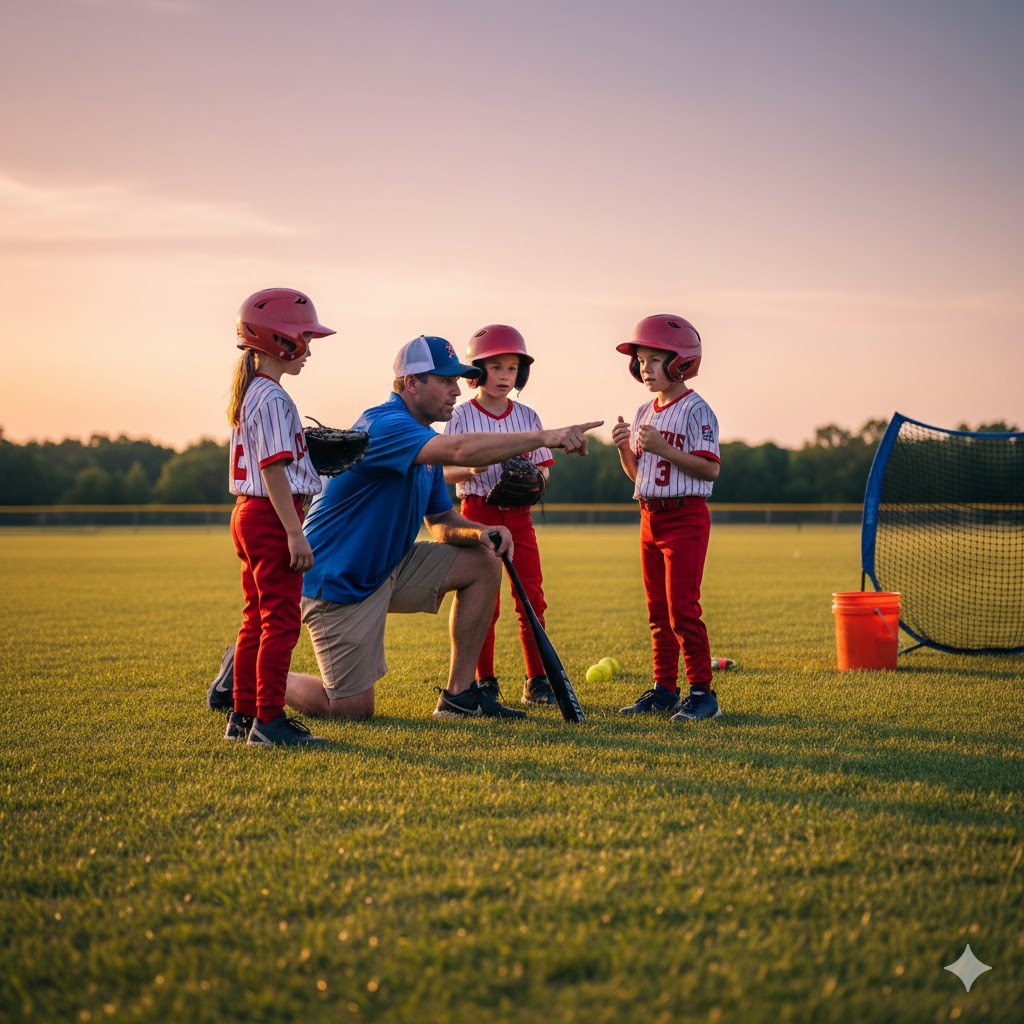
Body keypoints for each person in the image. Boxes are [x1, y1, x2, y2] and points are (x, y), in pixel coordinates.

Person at [211, 335, 602, 721]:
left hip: (388, 566)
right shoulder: (386, 423)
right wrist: (545, 437)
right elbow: (459, 451)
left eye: (456, 381)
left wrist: (479, 533)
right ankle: (246, 671)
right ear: (412, 383)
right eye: (445, 381)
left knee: (484, 562)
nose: (456, 391)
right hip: (340, 582)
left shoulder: (422, 439)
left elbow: (441, 522)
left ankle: (459, 696)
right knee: (349, 709)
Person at [221, 287, 336, 747]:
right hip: (272, 515)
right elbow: (272, 469)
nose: (308, 349)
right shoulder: (271, 397)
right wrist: (294, 531)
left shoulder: (254, 391)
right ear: (279, 339)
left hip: (251, 513)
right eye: (303, 337)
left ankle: (243, 715)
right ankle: (268, 722)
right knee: (281, 621)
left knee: (256, 618)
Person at [611, 314, 722, 722]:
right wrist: (624, 450)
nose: (646, 368)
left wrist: (664, 448)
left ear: (682, 362)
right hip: (649, 517)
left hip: (685, 516)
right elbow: (639, 475)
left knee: (682, 610)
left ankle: (703, 694)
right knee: (657, 612)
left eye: (656, 359)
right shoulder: (644, 410)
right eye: (641, 361)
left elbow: (710, 469)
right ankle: (664, 690)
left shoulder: (696, 410)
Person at [442, 325, 557, 707]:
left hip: (519, 516)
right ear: (477, 370)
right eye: (496, 367)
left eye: (512, 368)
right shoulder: (461, 416)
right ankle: (484, 681)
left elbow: (544, 469)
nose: (505, 375)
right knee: (483, 604)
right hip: (477, 514)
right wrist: (469, 469)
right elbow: (441, 470)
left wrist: (533, 480)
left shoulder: (527, 416)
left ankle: (537, 680)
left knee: (531, 600)